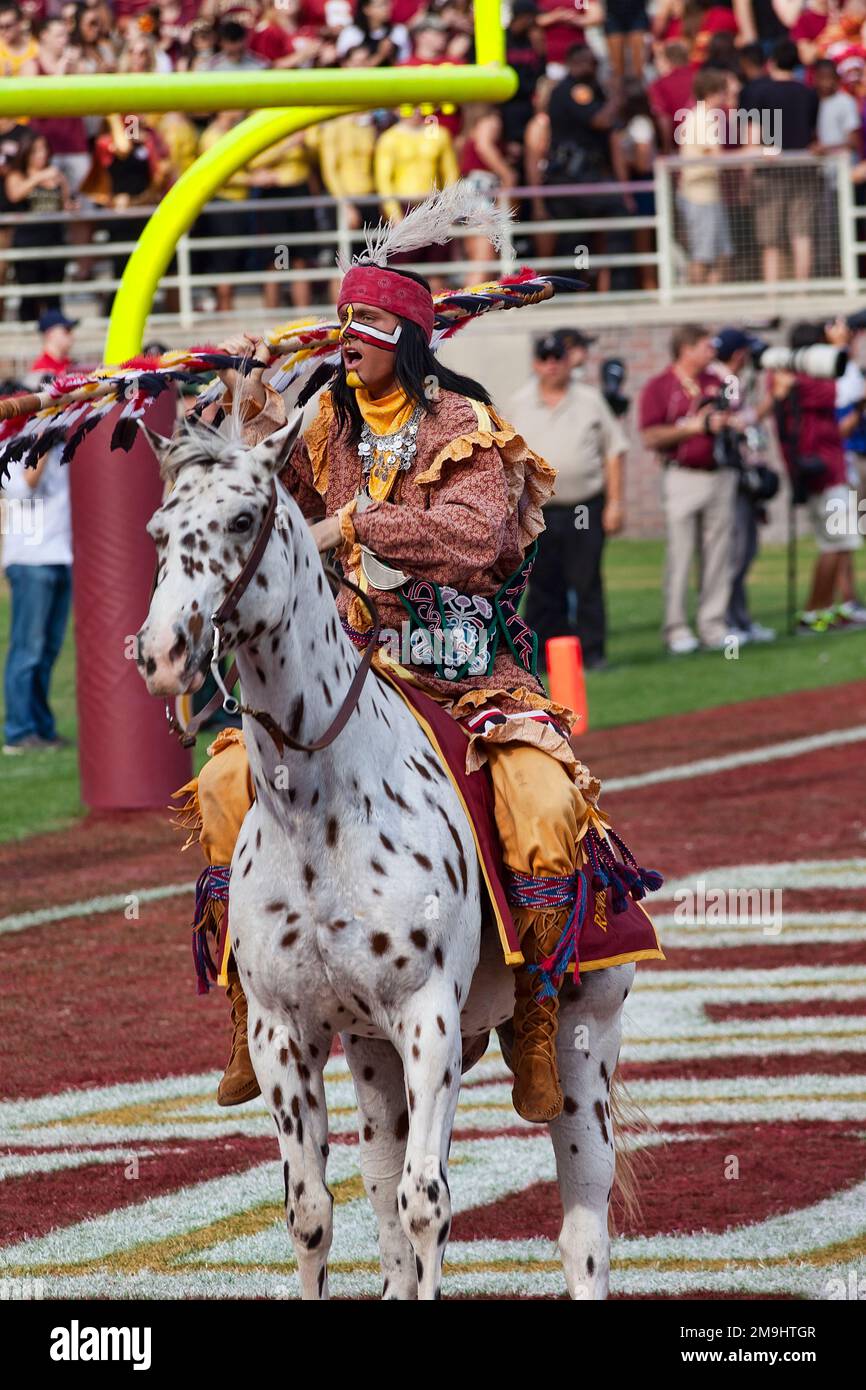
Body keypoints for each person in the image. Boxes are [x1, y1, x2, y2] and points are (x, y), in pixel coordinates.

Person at [178, 188, 660, 1126]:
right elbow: (259, 514)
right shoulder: (320, 430)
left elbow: (477, 543)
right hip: (347, 673)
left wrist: (360, 520)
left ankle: (534, 1014)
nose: (347, 342)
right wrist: (249, 422)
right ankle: (251, 1007)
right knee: (222, 784)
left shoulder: (468, 430)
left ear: (403, 336)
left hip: (463, 669)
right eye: (343, 325)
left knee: (544, 801)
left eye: (365, 326)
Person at [511, 331, 626, 671]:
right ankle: (544, 655)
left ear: (567, 361)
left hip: (580, 506)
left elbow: (614, 451)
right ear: (536, 363)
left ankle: (592, 652)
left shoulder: (589, 400)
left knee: (585, 576)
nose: (551, 366)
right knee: (543, 582)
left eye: (557, 358)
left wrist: (616, 503)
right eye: (544, 359)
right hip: (537, 509)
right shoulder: (519, 402)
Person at [639, 323, 739, 654]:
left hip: (721, 473)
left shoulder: (718, 381)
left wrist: (728, 422)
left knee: (718, 555)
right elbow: (650, 436)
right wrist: (692, 428)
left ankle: (714, 624)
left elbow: (740, 416)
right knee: (680, 555)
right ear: (686, 349)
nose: (712, 351)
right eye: (705, 346)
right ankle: (676, 627)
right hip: (682, 474)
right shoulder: (660, 385)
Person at [1, 317, 77, 753]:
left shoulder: (49, 438)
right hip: (30, 556)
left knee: (47, 651)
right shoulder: (10, 444)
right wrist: (44, 436)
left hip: (60, 552)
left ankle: (42, 727)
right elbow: (26, 484)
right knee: (26, 651)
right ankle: (17, 732)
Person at [770, 321, 866, 631]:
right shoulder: (805, 383)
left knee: (840, 541)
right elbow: (845, 390)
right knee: (835, 541)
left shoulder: (794, 381)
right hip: (824, 473)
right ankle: (813, 611)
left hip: (829, 469)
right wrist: (840, 350)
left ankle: (828, 608)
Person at [710, 326, 778, 642]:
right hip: (733, 477)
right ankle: (731, 621)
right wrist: (774, 399)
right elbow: (740, 421)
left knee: (744, 550)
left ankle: (740, 619)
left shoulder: (725, 378)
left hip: (741, 477)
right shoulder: (725, 380)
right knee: (736, 553)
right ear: (739, 355)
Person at [739, 39, 820, 283]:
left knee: (770, 240)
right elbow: (814, 135)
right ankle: (801, 293)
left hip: (769, 172)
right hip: (804, 170)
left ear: (771, 63)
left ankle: (772, 294)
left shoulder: (757, 92)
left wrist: (747, 176)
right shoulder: (809, 93)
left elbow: (752, 140)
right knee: (802, 234)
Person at [675, 68, 733, 285]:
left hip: (709, 195)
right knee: (702, 255)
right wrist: (757, 153)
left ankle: (714, 307)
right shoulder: (701, 119)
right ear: (712, 92)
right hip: (699, 197)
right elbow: (716, 157)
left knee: (721, 254)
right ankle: (697, 305)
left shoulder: (705, 118)